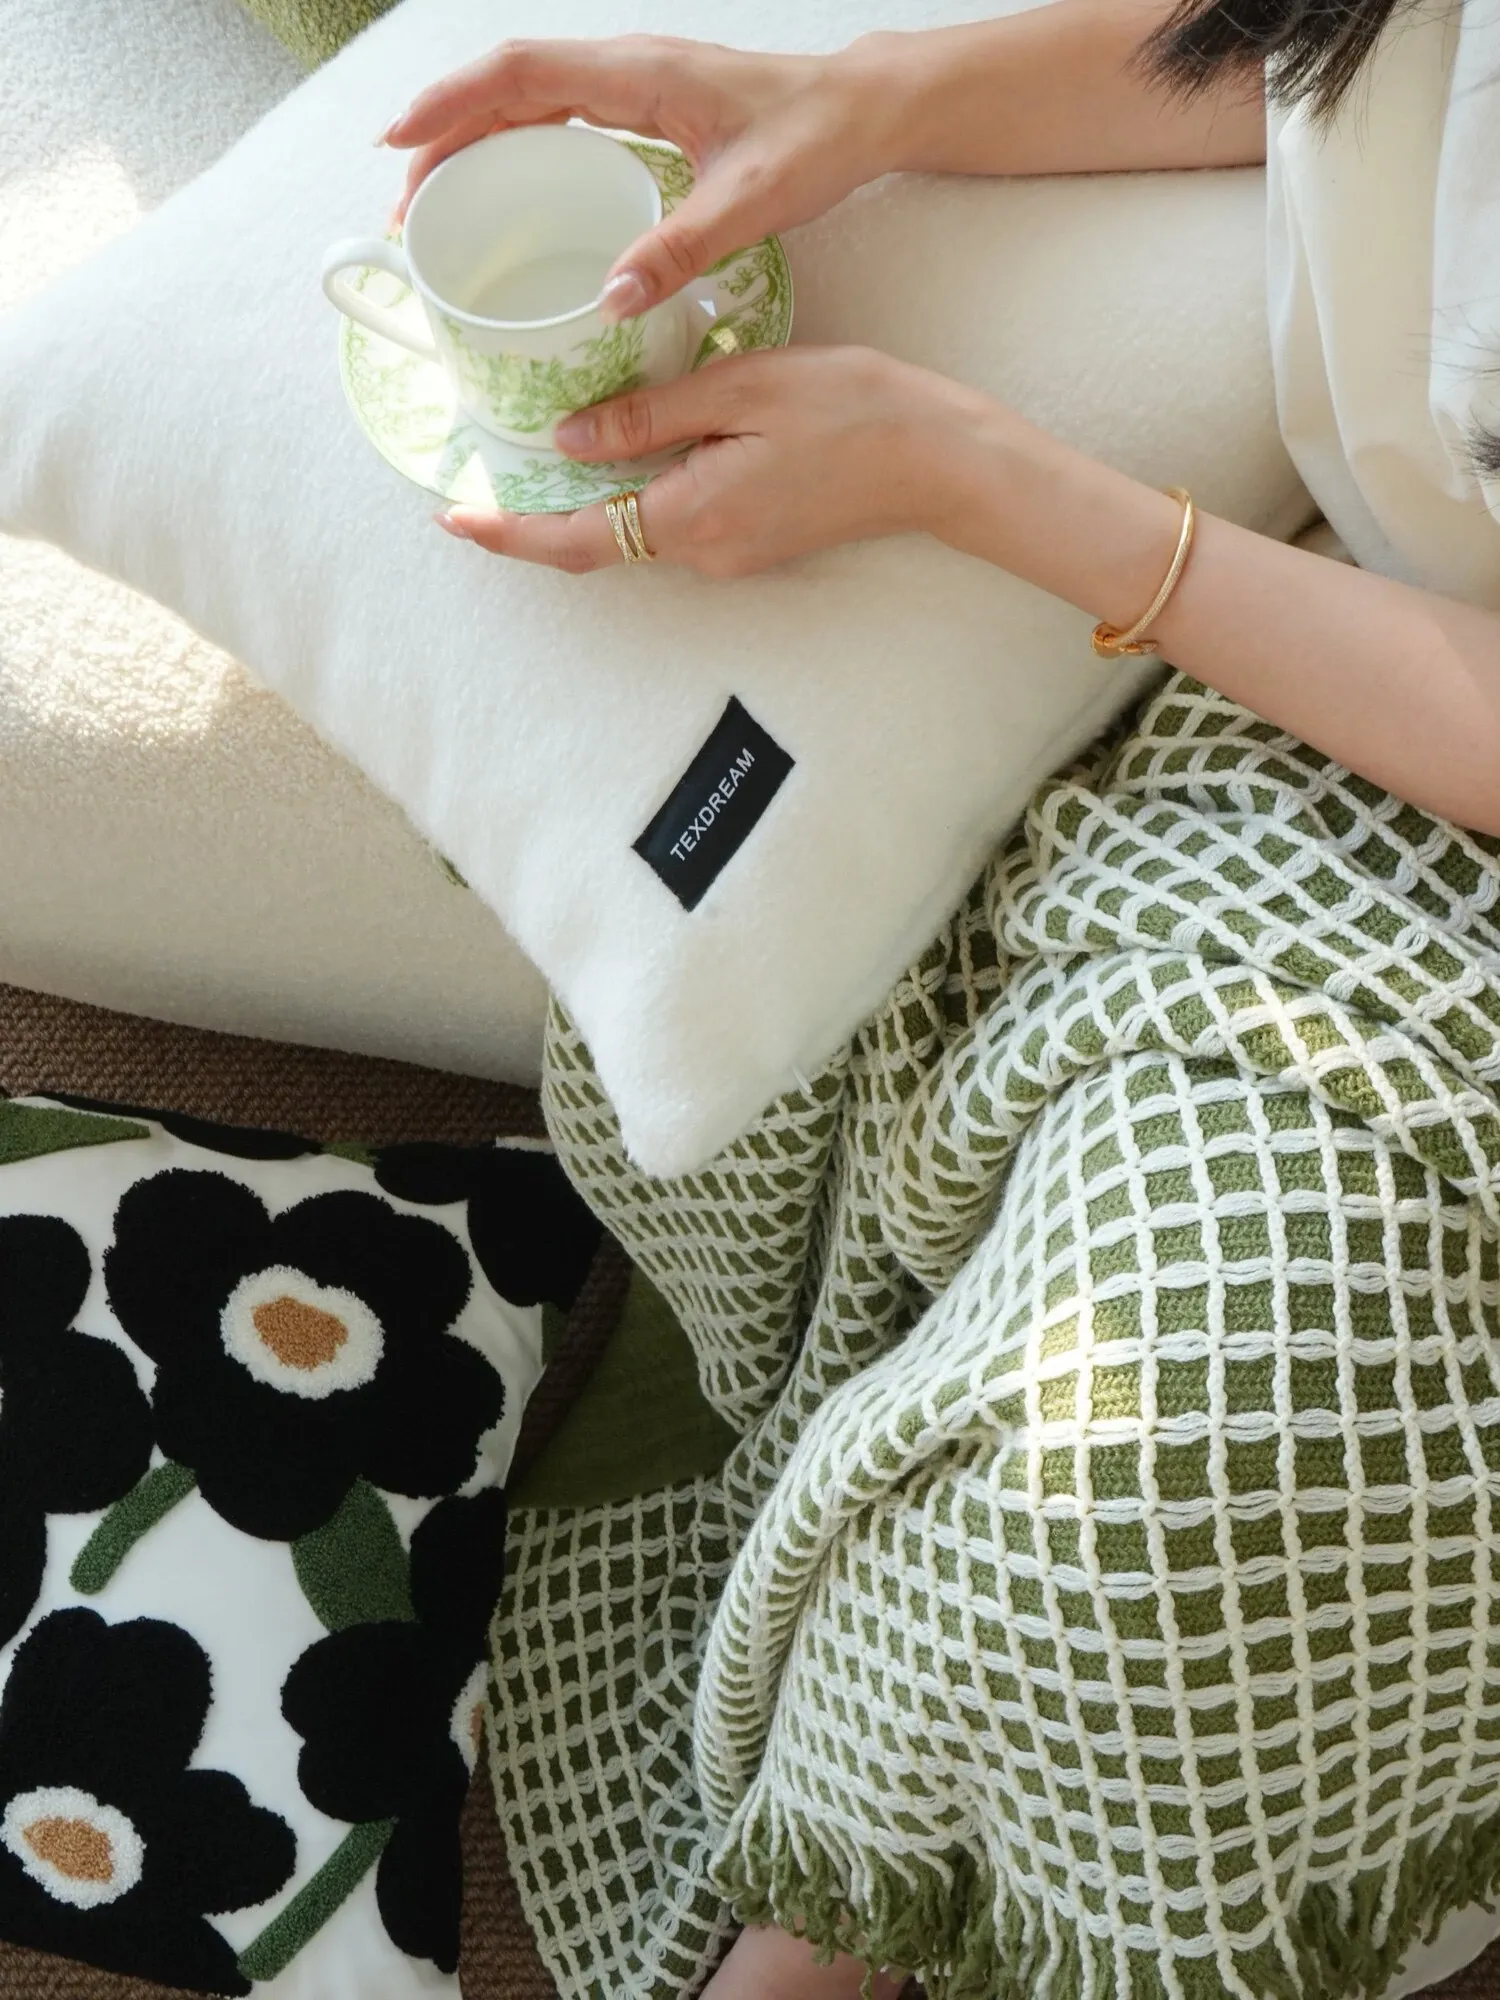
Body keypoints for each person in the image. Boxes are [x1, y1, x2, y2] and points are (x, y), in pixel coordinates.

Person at [381, 7, 1500, 2000]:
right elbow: (1338, 47)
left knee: (1176, 1462)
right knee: (1084, 1348)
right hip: (1351, 718)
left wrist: (967, 474)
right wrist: (851, 102)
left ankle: (867, 1913)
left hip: (1437, 771)